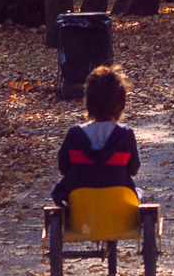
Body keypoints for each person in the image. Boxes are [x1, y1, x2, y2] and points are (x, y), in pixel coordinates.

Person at [51, 66, 141, 204]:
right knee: (138, 193)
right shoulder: (125, 135)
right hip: (118, 201)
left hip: (80, 202)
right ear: (121, 104)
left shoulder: (75, 134)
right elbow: (133, 168)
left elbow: (64, 167)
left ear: (88, 102)